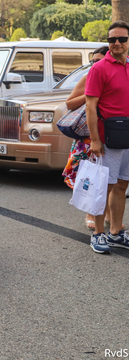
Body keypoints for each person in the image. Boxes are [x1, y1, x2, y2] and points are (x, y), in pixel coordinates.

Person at [85, 20, 129, 253]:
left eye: (122, 39)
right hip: (107, 139)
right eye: (112, 40)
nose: (117, 43)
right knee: (104, 186)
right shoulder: (99, 68)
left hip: (127, 138)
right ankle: (98, 233)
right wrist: (94, 140)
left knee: (122, 185)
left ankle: (116, 233)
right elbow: (90, 107)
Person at [63, 46, 113, 230]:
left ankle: (108, 214)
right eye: (93, 61)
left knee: (111, 178)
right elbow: (69, 103)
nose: (95, 64)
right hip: (88, 137)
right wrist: (90, 94)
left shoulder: (115, 76)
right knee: (93, 176)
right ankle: (90, 212)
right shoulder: (88, 78)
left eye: (99, 60)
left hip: (113, 134)